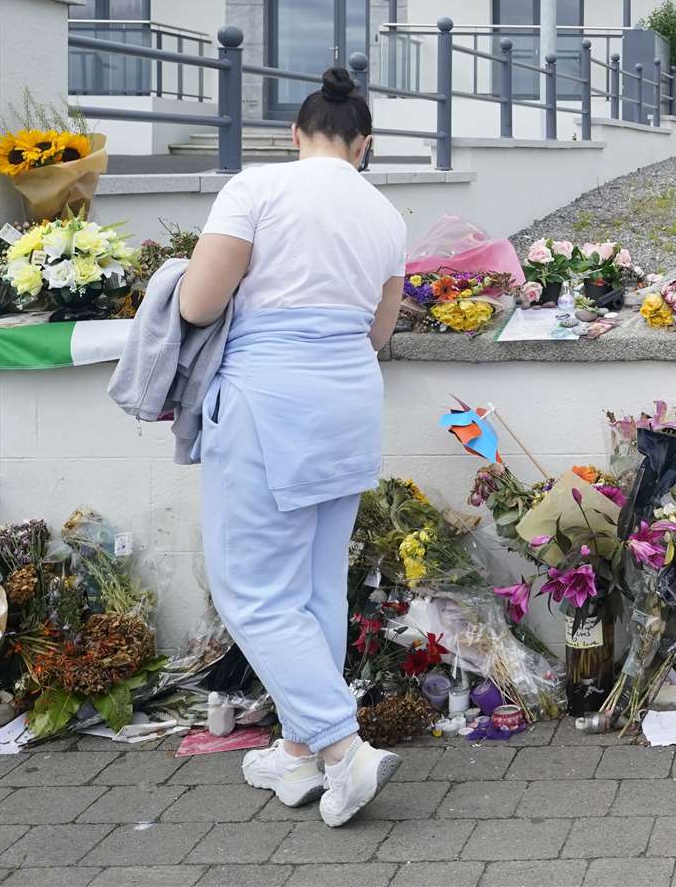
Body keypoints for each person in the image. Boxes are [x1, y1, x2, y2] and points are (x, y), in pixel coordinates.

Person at [178, 67, 408, 827]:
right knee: (314, 588)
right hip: (347, 397)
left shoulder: (255, 190)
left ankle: (344, 749)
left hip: (269, 395)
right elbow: (379, 333)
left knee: (249, 585)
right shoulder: (386, 214)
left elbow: (199, 301)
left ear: (295, 134)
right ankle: (301, 753)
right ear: (363, 144)